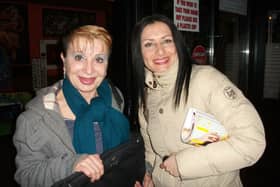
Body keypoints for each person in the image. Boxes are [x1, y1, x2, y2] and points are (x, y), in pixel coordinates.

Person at [131, 14, 266, 187]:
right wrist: (149, 173)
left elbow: (252, 142)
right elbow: (151, 148)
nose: (160, 51)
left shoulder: (206, 80)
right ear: (139, 52)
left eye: (167, 41)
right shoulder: (147, 94)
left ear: (177, 44)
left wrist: (183, 164)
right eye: (149, 44)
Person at [13, 25, 130, 187]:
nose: (89, 70)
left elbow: (124, 154)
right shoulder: (36, 118)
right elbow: (26, 175)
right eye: (79, 57)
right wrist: (70, 166)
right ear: (64, 60)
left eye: (99, 59)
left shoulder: (115, 98)